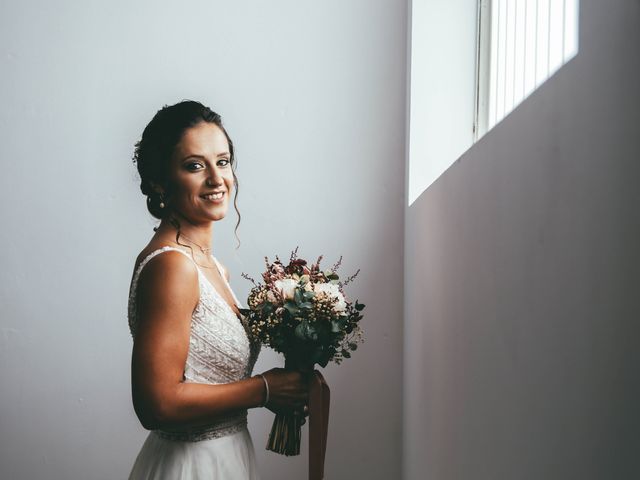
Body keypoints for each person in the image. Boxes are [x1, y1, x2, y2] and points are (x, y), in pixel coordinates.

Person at [126, 100, 309, 479]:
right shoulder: (172, 266)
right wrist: (264, 391)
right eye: (195, 165)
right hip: (191, 465)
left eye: (222, 162)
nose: (216, 178)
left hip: (228, 456)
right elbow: (156, 404)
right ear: (161, 181)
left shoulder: (213, 267)